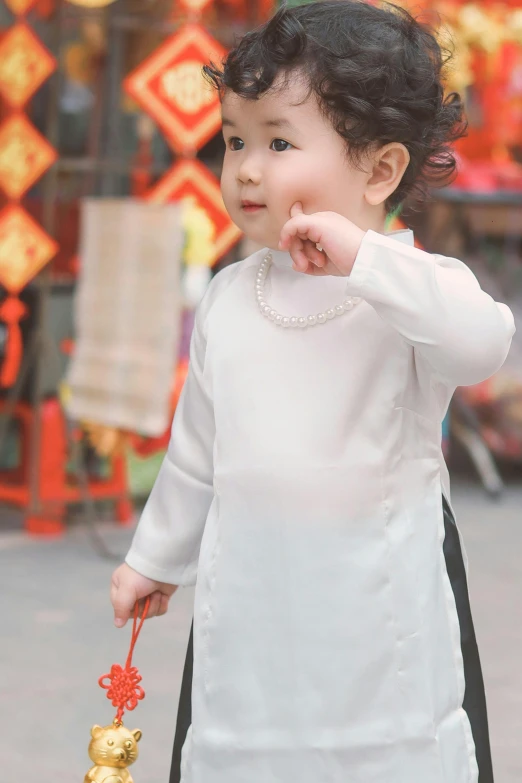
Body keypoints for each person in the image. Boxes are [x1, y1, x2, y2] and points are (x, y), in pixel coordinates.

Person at [110, 2, 515, 781]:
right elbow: (197, 454)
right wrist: (155, 558)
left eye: (279, 141)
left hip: (379, 616)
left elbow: (481, 342)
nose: (248, 168)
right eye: (235, 141)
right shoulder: (231, 297)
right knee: (246, 745)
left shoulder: (405, 285)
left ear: (381, 170)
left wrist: (364, 258)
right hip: (255, 608)